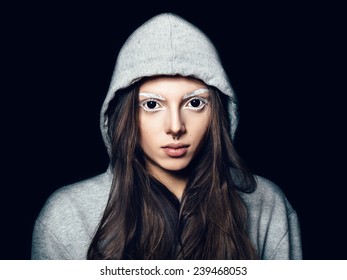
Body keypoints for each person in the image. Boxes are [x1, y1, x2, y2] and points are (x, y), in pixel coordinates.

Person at [31, 13, 302, 260]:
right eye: (152, 104)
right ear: (125, 114)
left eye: (195, 103)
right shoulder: (67, 215)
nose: (175, 126)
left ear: (218, 111)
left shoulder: (266, 203)